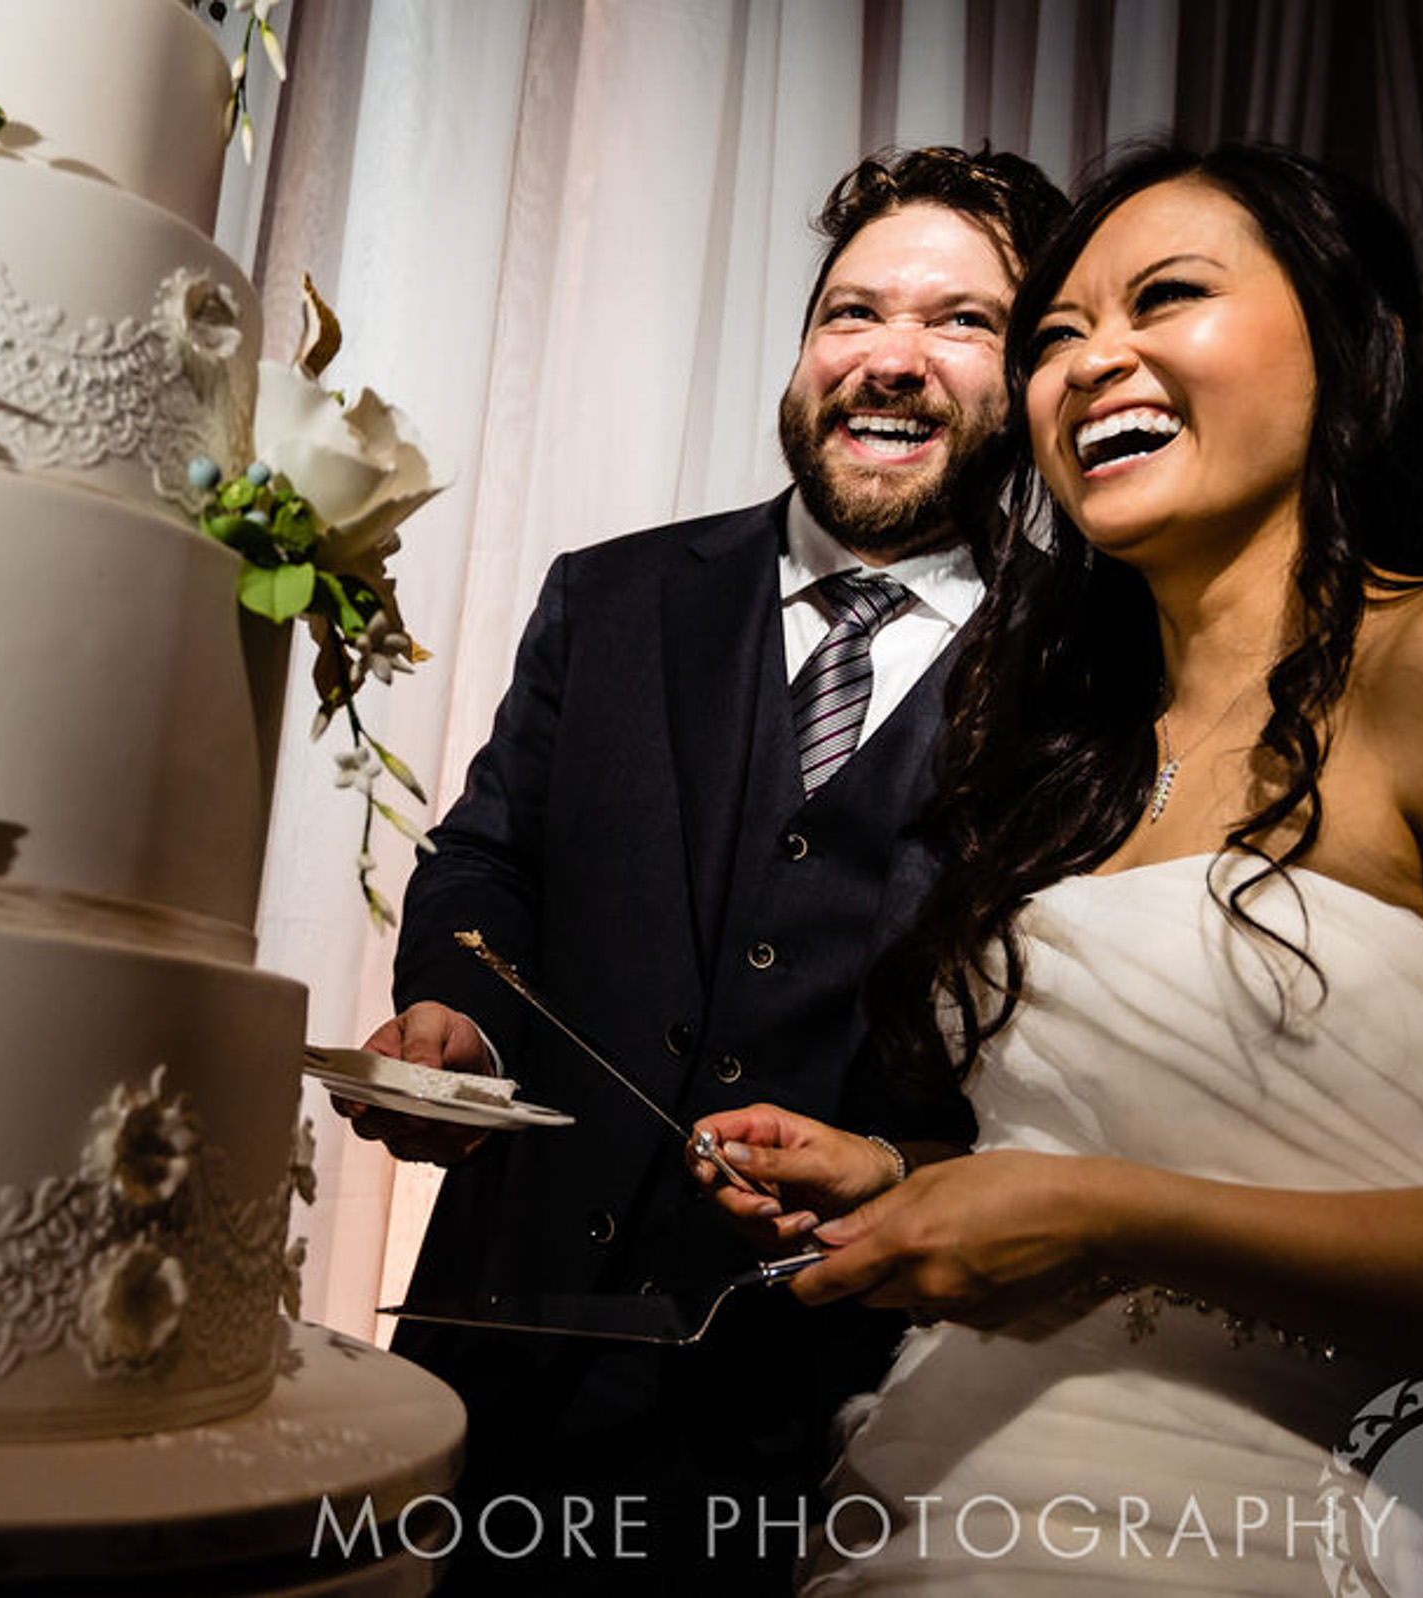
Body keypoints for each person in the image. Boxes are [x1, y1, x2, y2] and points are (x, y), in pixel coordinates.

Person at [692, 140, 1423, 1591]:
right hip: (931, 1505)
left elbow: (1127, 1204)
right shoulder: (1066, 755)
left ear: (1355, 337)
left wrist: (1103, 1215)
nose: (1094, 364)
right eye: (1059, 337)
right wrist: (912, 1179)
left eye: (1166, 299)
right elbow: (1144, 1140)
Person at [337, 146, 1068, 1593]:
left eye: (962, 322)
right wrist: (459, 1021)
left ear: (1035, 375)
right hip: (515, 1347)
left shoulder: (1091, 672)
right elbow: (487, 856)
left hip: (849, 1406)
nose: (891, 360)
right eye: (852, 313)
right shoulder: (608, 593)